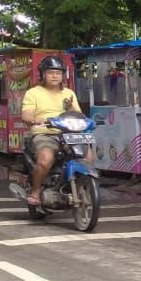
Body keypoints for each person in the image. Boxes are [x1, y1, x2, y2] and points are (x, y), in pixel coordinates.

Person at [21, 55, 86, 206]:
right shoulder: (33, 93)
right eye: (51, 72)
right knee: (45, 159)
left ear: (63, 75)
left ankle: (81, 187)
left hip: (68, 134)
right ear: (43, 74)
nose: (55, 75)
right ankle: (36, 191)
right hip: (44, 133)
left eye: (58, 72)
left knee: (88, 157)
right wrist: (34, 119)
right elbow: (26, 114)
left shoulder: (69, 93)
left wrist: (71, 108)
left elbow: (78, 115)